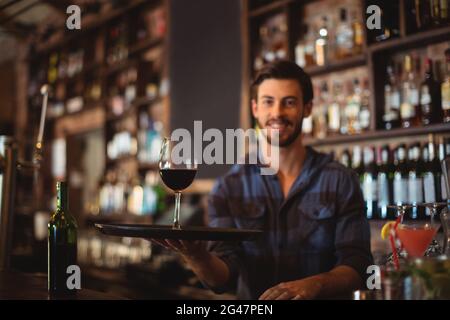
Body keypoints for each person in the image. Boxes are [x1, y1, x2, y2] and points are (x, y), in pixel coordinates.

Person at [150, 60, 373, 300]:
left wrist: (315, 285)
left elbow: (360, 266)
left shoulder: (341, 180)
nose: (277, 113)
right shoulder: (228, 187)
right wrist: (196, 256)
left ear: (307, 108)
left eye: (289, 102)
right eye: (269, 102)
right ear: (255, 108)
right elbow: (222, 279)